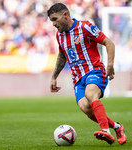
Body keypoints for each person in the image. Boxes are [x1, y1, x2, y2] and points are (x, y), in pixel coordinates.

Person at [48, 3, 126, 145]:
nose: (53, 24)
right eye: (51, 21)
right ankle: (117, 127)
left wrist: (110, 64)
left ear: (65, 15)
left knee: (91, 95)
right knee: (85, 107)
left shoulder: (85, 27)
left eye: (54, 19)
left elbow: (109, 43)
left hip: (94, 70)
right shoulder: (59, 35)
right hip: (78, 79)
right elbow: (62, 55)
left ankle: (106, 132)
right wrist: (54, 77)